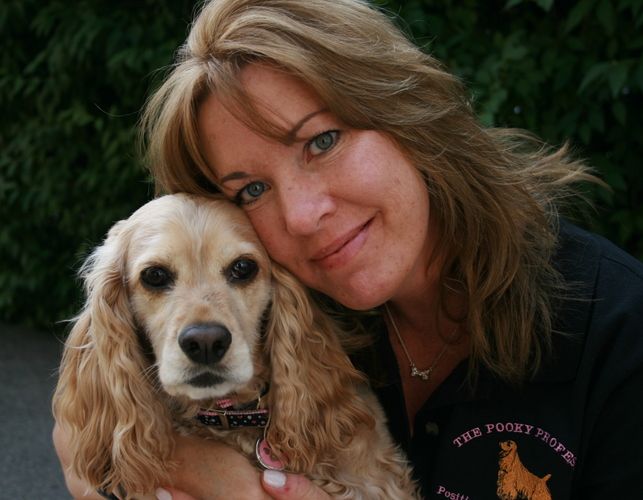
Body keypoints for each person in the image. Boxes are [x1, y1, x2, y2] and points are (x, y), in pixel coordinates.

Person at [53, 0, 643, 498]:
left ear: (408, 113)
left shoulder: (620, 336)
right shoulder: (292, 305)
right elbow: (80, 442)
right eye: (251, 189)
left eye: (322, 141)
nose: (302, 216)